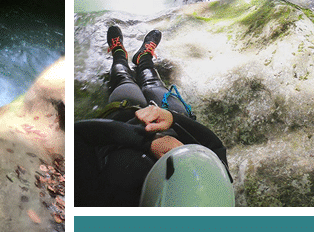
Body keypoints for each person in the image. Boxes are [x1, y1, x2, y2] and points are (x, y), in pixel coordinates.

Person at [74, 25, 233, 207]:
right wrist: (173, 118)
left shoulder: (97, 200)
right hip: (173, 123)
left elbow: (79, 134)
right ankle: (144, 58)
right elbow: (216, 147)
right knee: (152, 82)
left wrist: (146, 143)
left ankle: (118, 54)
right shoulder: (216, 196)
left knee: (122, 78)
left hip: (125, 118)